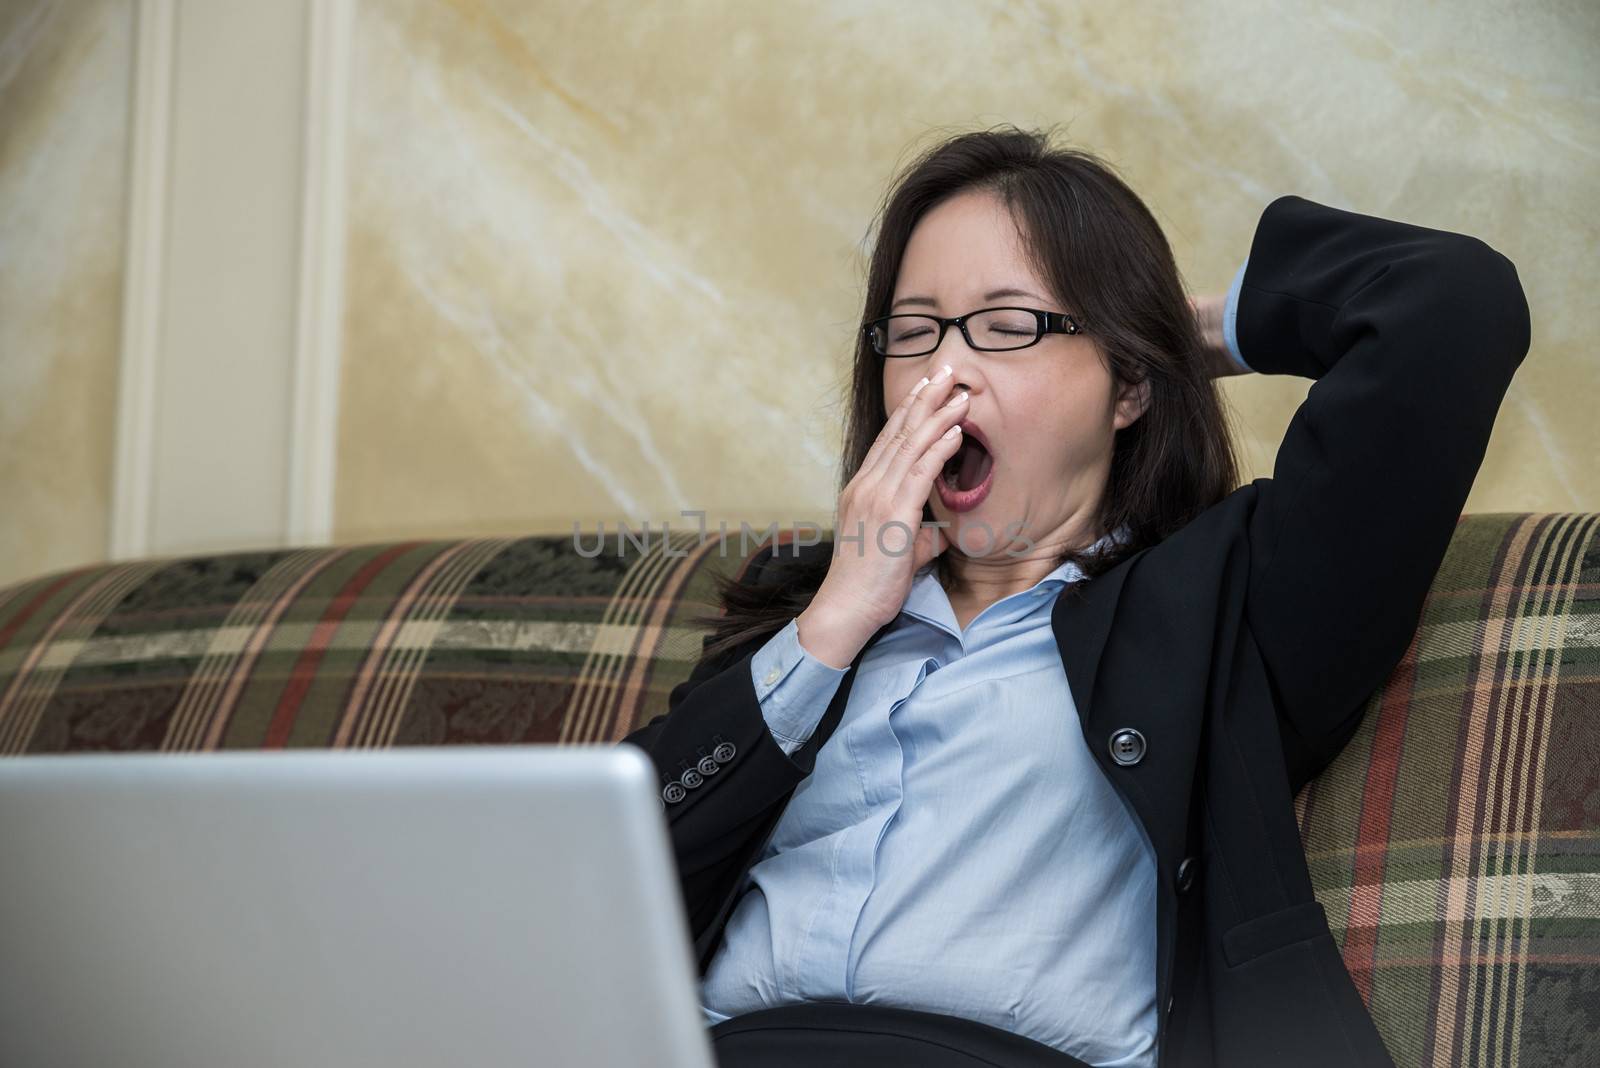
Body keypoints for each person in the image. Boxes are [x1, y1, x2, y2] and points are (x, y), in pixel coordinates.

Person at [620, 126, 1531, 1068]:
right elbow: (602, 876)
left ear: (1127, 383)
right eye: (915, 330)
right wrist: (834, 623)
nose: (946, 371)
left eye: (1010, 326)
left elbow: (1452, 304)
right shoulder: (807, 612)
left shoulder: (1222, 604)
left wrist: (1182, 338)